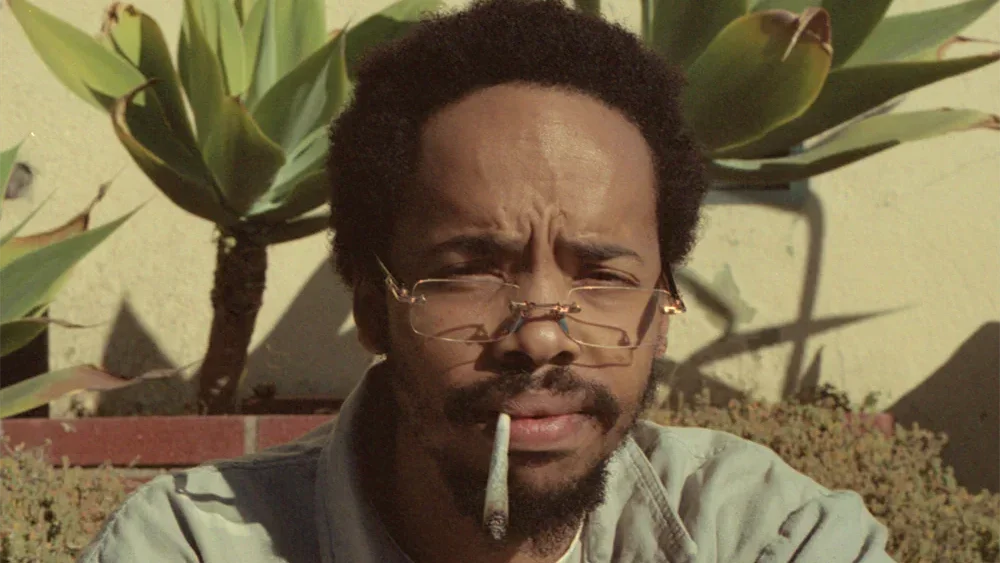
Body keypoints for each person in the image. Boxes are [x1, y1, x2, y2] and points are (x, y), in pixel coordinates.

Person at [78, 1, 896, 561]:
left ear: (661, 309)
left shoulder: (768, 535)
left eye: (604, 273)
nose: (542, 334)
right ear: (371, 305)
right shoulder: (198, 544)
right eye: (468, 271)